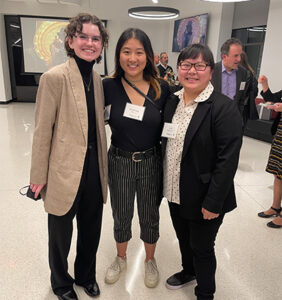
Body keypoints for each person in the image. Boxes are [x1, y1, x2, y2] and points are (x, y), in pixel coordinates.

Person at [29, 13, 109, 300]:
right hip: (63, 170)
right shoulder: (54, 78)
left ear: (102, 44)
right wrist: (37, 177)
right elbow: (41, 132)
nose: (90, 43)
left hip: (94, 169)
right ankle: (61, 283)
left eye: (96, 38)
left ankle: (86, 276)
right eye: (84, 36)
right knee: (60, 235)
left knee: (91, 230)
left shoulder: (98, 80)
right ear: (71, 40)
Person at [162, 44, 242, 300]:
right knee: (183, 238)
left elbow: (227, 161)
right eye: (186, 65)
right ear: (179, 69)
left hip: (206, 196)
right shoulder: (172, 101)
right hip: (175, 189)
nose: (192, 71)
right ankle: (188, 271)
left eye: (199, 66)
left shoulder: (223, 107)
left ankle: (205, 293)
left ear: (210, 70)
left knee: (202, 247)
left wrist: (213, 202)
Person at [103, 28, 170, 288]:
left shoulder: (162, 88)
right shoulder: (107, 86)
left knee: (149, 214)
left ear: (149, 56)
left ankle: (149, 260)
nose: (133, 58)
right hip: (119, 160)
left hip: (151, 162)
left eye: (139, 52)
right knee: (121, 213)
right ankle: (121, 257)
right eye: (126, 51)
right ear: (118, 55)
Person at [257, 75, 282, 228]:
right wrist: (265, 84)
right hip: (280, 136)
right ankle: (275, 207)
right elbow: (272, 98)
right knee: (277, 173)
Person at [211, 38, 249, 116]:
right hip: (213, 117)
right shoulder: (211, 71)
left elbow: (242, 98)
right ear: (224, 57)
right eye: (236, 56)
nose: (239, 59)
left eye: (240, 55)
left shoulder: (243, 73)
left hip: (233, 117)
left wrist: (238, 116)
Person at [239, 51, 259, 126]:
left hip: (241, 108)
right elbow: (255, 93)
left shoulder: (246, 74)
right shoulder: (250, 73)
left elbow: (253, 93)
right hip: (243, 108)